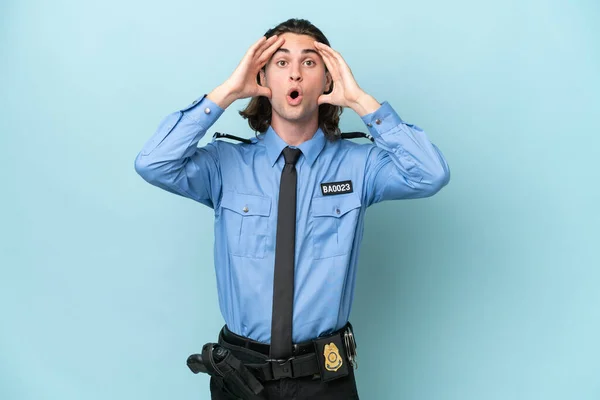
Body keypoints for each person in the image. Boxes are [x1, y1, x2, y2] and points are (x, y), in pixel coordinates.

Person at [135, 18, 450, 400]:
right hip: (239, 378)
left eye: (310, 63)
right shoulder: (224, 164)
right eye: (281, 63)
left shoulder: (360, 166)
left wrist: (362, 101)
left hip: (325, 379)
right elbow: (153, 163)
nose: (295, 75)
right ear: (263, 77)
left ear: (328, 79)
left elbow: (430, 174)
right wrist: (227, 92)